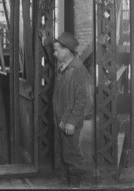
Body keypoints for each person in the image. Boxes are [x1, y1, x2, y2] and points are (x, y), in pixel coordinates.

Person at [52, 32, 90, 187]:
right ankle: (65, 182)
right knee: (62, 152)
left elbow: (82, 101)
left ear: (66, 50)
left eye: (57, 50)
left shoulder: (78, 70)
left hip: (69, 121)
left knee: (72, 153)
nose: (54, 54)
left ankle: (75, 185)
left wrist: (72, 122)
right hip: (60, 119)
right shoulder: (62, 68)